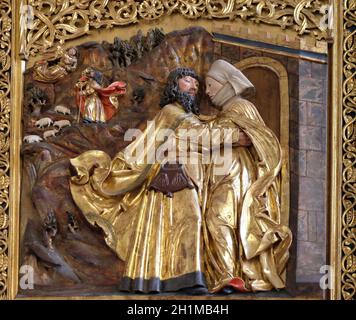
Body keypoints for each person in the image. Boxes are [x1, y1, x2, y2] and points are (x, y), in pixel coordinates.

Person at [69, 68, 245, 294]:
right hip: (172, 177)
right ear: (174, 85)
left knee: (181, 223)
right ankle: (188, 278)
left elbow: (197, 133)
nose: (194, 87)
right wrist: (234, 136)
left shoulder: (187, 116)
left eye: (197, 85)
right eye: (187, 81)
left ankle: (170, 278)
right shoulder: (172, 112)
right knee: (190, 219)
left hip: (188, 175)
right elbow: (201, 135)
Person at [202, 60, 292, 293]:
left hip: (236, 172)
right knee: (224, 220)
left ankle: (229, 275)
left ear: (225, 85)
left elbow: (256, 137)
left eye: (211, 85)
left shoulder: (239, 106)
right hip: (226, 172)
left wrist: (220, 134)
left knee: (219, 218)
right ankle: (232, 275)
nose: (207, 91)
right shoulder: (229, 110)